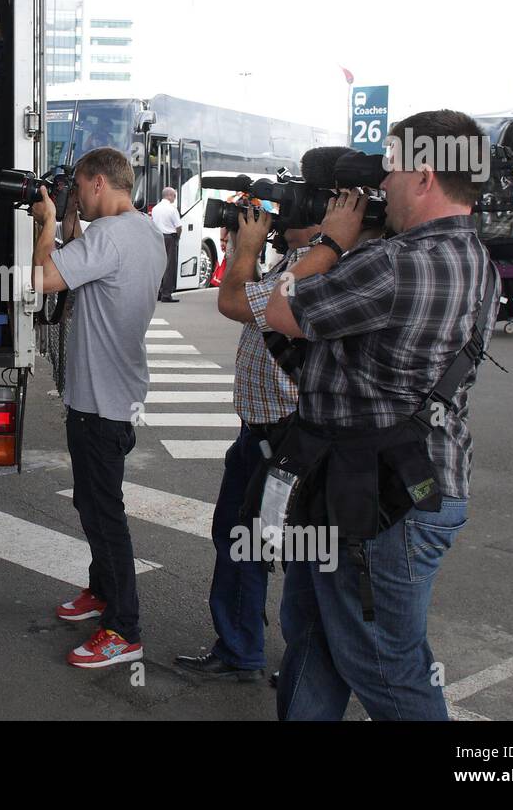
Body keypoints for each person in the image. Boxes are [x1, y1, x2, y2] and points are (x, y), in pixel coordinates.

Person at [265, 109, 500, 720]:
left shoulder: (392, 264)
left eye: (389, 172)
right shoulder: (480, 261)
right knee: (319, 637)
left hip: (381, 501)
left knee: (387, 669)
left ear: (424, 177)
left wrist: (331, 242)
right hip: (407, 481)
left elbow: (280, 310)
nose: (379, 189)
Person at [30, 146, 166, 667]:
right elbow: (94, 268)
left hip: (100, 404)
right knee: (92, 504)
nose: (78, 198)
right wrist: (68, 226)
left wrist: (45, 223)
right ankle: (101, 590)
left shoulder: (108, 236)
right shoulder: (145, 232)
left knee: (105, 515)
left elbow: (43, 278)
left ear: (98, 184)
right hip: (118, 396)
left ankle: (123, 629)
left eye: (80, 189)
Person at [174, 205, 321, 681]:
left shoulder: (316, 266)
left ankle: (278, 656)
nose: (278, 215)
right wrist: (248, 248)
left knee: (277, 547)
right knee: (246, 539)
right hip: (260, 430)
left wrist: (248, 246)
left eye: (292, 205)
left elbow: (233, 300)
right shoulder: (295, 259)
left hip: (285, 435)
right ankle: (247, 647)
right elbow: (250, 303)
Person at [151, 186, 182, 303]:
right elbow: (178, 226)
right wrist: (177, 237)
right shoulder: (172, 209)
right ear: (169, 195)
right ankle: (166, 294)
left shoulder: (155, 208)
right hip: (170, 238)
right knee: (169, 266)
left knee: (158, 265)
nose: (174, 198)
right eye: (174, 195)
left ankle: (157, 293)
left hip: (157, 237)